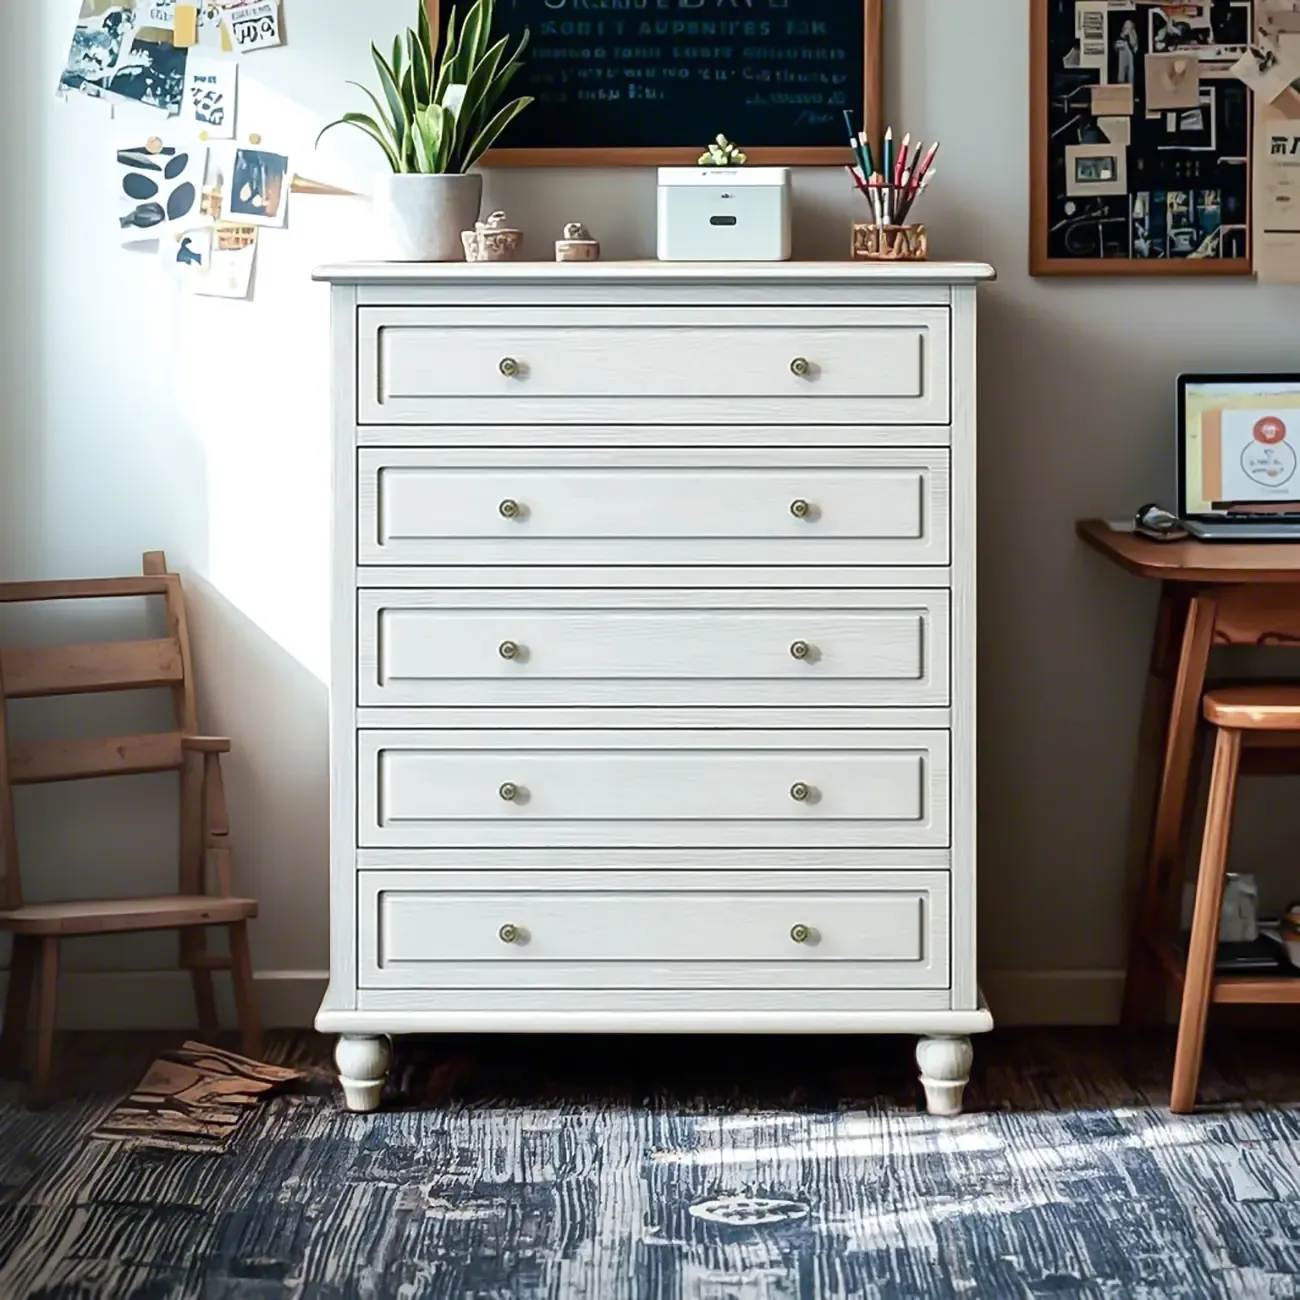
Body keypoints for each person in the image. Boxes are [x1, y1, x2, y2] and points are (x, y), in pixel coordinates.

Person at [1114, 19, 1139, 83]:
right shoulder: (1120, 38)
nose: (1126, 29)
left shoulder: (1134, 35)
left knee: (1130, 78)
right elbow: (1116, 47)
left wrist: (1130, 34)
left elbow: (1134, 45)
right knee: (1121, 77)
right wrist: (1122, 37)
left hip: (1130, 61)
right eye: (1125, 27)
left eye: (1129, 28)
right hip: (1122, 62)